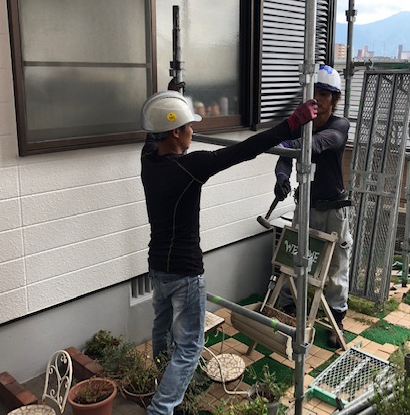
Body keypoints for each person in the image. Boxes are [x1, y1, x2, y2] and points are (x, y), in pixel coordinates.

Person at [140, 89, 317, 415]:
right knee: (190, 348)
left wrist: (171, 96)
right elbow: (244, 150)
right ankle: (161, 409)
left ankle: (166, 388)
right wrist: (291, 123)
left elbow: (153, 133)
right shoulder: (190, 166)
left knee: (162, 333)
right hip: (185, 273)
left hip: (158, 268)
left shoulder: (148, 160)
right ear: (176, 131)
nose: (193, 130)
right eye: (189, 125)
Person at [274, 64, 353, 348]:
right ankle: (288, 307)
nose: (318, 99)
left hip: (335, 208)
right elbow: (284, 157)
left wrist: (286, 142)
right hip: (305, 204)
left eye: (324, 94)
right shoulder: (300, 125)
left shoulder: (339, 126)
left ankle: (336, 317)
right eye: (314, 92)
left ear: (335, 99)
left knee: (336, 265)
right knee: (294, 257)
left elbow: (318, 143)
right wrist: (282, 177)